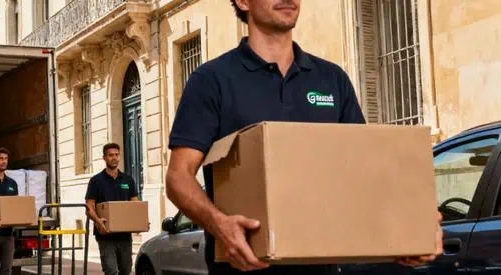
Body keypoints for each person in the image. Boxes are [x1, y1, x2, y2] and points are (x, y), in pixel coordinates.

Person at [164, 0, 444, 274]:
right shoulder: (212, 80)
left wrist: (410, 225)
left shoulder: (332, 80)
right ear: (243, 2)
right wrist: (219, 225)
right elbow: (178, 177)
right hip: (244, 268)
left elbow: (363, 172)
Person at [85, 143, 139, 275]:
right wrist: (98, 221)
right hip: (105, 234)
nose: (114, 158)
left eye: (116, 154)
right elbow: (89, 207)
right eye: (110, 155)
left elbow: (135, 206)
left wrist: (140, 221)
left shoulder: (128, 180)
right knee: (111, 270)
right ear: (104, 158)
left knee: (126, 270)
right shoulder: (96, 181)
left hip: (124, 235)